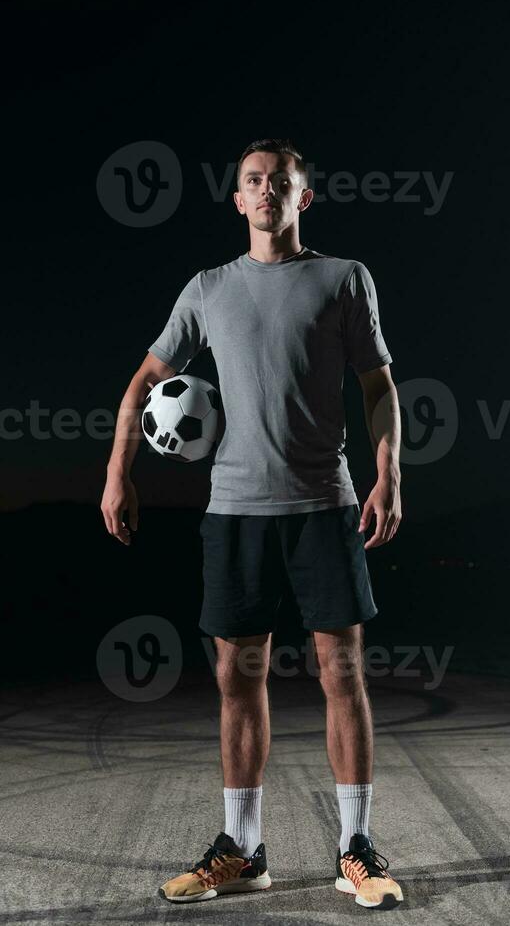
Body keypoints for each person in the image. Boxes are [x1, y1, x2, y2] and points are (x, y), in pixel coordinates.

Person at [100, 138, 403, 910]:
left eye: (282, 181)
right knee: (239, 682)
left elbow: (378, 384)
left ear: (305, 197)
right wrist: (117, 472)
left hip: (323, 505)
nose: (268, 191)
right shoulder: (207, 290)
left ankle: (355, 849)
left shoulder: (342, 280)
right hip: (233, 511)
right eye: (254, 182)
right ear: (238, 200)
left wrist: (388, 472)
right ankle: (243, 848)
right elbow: (142, 385)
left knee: (342, 674)